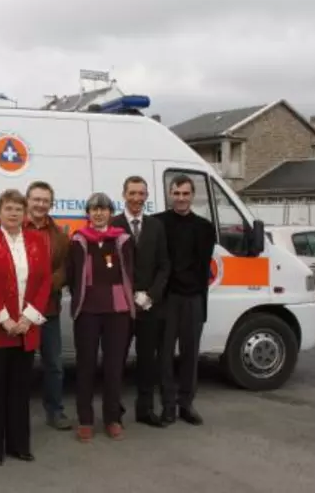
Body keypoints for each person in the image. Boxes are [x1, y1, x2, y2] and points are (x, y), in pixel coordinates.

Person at [0, 189, 51, 466]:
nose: (15, 213)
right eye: (9, 208)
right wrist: (4, 318)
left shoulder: (38, 240)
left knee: (20, 391)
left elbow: (45, 283)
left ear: (25, 213)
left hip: (25, 330)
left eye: (19, 208)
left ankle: (19, 445)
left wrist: (28, 318)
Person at [66, 192, 134, 442]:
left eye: (103, 209)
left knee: (114, 367)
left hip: (118, 311)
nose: (98, 213)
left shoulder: (123, 240)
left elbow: (129, 272)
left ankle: (112, 418)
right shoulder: (78, 240)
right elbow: (73, 278)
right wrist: (83, 299)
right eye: (94, 209)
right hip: (87, 311)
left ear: (110, 213)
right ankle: (85, 420)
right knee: (85, 366)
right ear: (88, 213)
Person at [153, 174, 216, 426]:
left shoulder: (204, 228)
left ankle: (186, 404)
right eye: (176, 193)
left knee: (191, 355)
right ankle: (168, 405)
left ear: (193, 196)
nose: (181, 198)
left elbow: (203, 269)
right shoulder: (157, 223)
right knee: (165, 355)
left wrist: (201, 303)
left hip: (193, 299)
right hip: (167, 300)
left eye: (185, 193)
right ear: (170, 194)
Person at [112, 175, 170, 427]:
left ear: (147, 196)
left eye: (141, 193)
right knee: (116, 361)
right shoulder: (112, 225)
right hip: (121, 306)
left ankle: (145, 410)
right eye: (132, 193)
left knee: (148, 361)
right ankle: (114, 412)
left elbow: (164, 265)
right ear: (124, 195)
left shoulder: (156, 226)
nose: (136, 198)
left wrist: (151, 295)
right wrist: (129, 293)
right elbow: (108, 266)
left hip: (149, 306)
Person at [24, 181, 72, 431]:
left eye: (45, 200)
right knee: (20, 367)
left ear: (51, 204)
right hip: (19, 313)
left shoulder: (61, 237)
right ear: (27, 201)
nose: (40, 204)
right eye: (36, 199)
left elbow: (64, 271)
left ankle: (55, 411)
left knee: (53, 365)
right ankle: (17, 413)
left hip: (48, 311)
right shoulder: (14, 229)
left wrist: (41, 289)